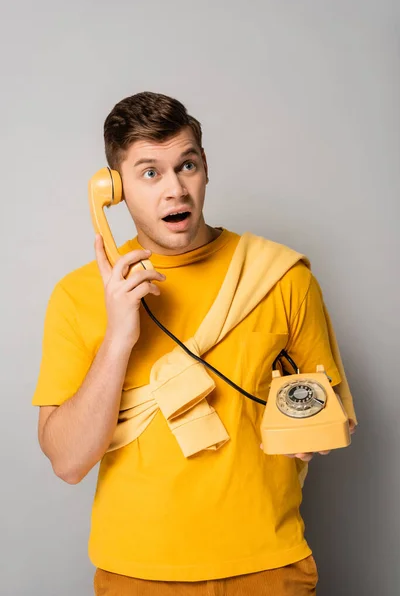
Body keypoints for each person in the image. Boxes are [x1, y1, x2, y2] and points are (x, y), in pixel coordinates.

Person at [33, 91, 357, 595]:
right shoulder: (78, 295)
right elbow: (68, 462)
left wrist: (312, 431)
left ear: (205, 167)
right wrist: (119, 335)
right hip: (136, 573)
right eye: (149, 173)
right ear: (113, 190)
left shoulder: (280, 277)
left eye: (186, 166)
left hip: (269, 567)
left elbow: (324, 413)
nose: (175, 191)